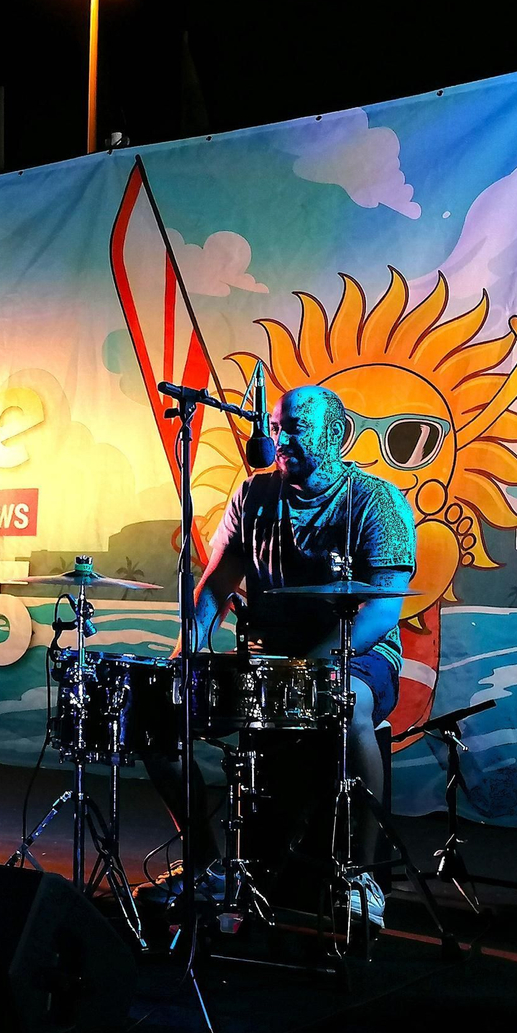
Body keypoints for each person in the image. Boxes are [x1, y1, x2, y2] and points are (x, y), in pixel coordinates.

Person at [148, 384, 415, 926]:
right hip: (265, 659)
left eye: (295, 427)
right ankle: (206, 860)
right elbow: (214, 591)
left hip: (357, 656)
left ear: (336, 435)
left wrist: (310, 668)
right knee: (158, 722)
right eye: (276, 426)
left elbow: (382, 610)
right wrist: (186, 658)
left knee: (349, 706)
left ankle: (362, 876)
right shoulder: (252, 495)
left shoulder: (375, 500)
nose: (280, 437)